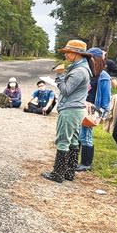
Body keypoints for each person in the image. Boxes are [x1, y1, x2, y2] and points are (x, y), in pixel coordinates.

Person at [42, 40, 92, 183]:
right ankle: (69, 172)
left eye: (67, 52)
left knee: (63, 140)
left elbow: (66, 90)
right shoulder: (82, 68)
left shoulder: (79, 71)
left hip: (70, 109)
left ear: (76, 53)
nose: (66, 55)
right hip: (77, 109)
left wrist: (59, 75)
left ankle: (57, 174)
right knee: (74, 140)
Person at [76, 47, 111, 171]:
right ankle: (76, 160)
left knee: (86, 135)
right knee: (78, 134)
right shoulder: (87, 71)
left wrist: (102, 113)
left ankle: (86, 163)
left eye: (89, 57)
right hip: (81, 106)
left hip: (93, 109)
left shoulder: (104, 76)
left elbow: (106, 98)